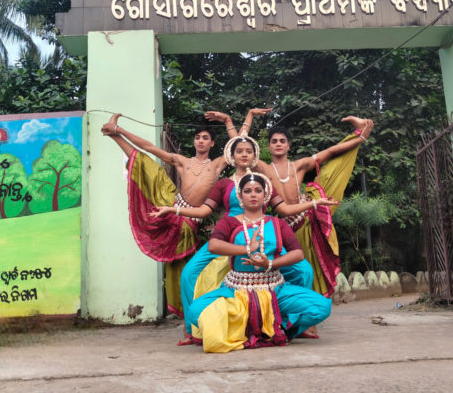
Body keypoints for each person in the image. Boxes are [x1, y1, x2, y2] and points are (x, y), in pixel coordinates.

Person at [152, 135, 337, 342]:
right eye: (239, 151)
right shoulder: (224, 184)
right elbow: (204, 211)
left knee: (304, 270)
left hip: (264, 233)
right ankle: (191, 329)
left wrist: (314, 204)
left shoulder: (264, 183)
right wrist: (174, 210)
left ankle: (293, 322)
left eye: (249, 151)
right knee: (188, 273)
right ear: (232, 156)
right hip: (229, 235)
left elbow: (284, 209)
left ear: (255, 155)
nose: (244, 154)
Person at [99, 109, 267, 315]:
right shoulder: (183, 162)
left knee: (186, 270)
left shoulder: (217, 165)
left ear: (212, 144)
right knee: (148, 165)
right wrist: (120, 130)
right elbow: (150, 147)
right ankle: (114, 135)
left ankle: (191, 311)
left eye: (205, 138)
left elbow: (240, 142)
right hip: (170, 203)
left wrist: (241, 117)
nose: (201, 141)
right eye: (198, 137)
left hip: (189, 219)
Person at [206, 112, 374, 298]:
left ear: (288, 145)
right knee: (286, 268)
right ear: (268, 147)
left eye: (282, 141)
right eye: (274, 141)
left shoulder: (299, 165)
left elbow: (331, 151)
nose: (278, 144)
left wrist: (361, 136)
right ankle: (287, 304)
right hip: (282, 226)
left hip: (305, 220)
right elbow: (241, 144)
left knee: (309, 266)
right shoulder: (262, 168)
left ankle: (308, 303)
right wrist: (231, 120)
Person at [185, 172, 332, 353]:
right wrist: (247, 248)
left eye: (258, 190)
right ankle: (245, 326)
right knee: (195, 311)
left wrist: (270, 264)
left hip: (274, 291)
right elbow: (214, 245)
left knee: (322, 307)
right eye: (247, 191)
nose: (253, 194)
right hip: (237, 292)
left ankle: (282, 328)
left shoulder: (277, 223)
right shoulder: (229, 222)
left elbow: (298, 254)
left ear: (265, 195)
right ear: (240, 196)